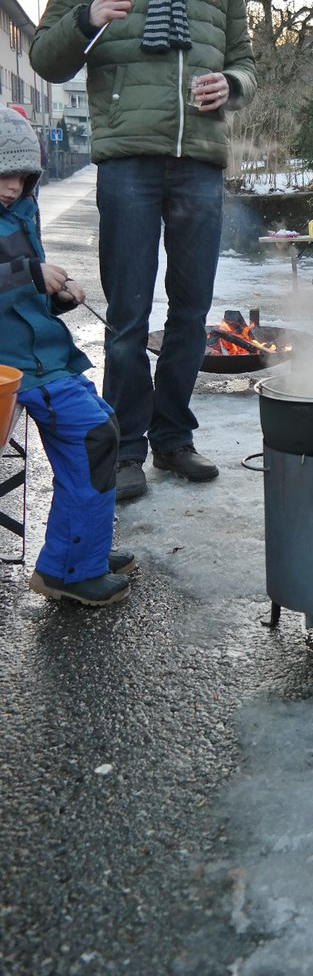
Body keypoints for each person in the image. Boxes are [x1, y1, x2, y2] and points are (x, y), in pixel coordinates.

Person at [30, 0, 257, 502]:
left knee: (191, 312)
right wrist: (89, 17)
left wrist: (234, 86)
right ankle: (125, 448)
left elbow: (246, 61)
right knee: (128, 314)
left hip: (200, 161)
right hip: (128, 160)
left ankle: (173, 437)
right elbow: (46, 56)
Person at [0, 107, 132, 606]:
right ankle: (68, 570)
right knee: (92, 437)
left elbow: (27, 281)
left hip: (41, 355)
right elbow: (18, 273)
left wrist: (56, 293)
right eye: (3, 174)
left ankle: (86, 549)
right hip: (11, 367)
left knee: (103, 425)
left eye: (22, 175)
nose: (13, 186)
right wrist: (31, 274)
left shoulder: (21, 210)